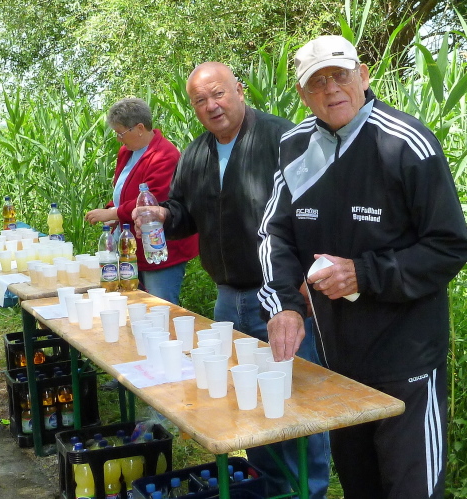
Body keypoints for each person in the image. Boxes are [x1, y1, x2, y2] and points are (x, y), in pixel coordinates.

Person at [258, 35, 467, 498]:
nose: (331, 89)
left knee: (411, 490)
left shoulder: (405, 142)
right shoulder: (294, 146)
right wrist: (285, 304)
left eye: (340, 75)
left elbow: (450, 245)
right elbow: (275, 233)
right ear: (302, 94)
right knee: (360, 487)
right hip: (338, 362)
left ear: (363, 75)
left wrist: (364, 274)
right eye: (317, 82)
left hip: (407, 360)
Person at [131, 62, 330, 498]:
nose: (212, 106)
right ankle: (266, 486)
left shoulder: (284, 139)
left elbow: (316, 210)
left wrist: (305, 284)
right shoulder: (196, 153)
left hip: (281, 299)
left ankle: (310, 489)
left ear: (239, 90)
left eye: (218, 94)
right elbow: (184, 214)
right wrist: (162, 214)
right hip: (228, 299)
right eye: (200, 100)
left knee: (298, 402)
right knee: (250, 402)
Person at [84, 98, 199, 304]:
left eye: (121, 133)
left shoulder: (165, 155)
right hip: (132, 244)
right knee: (135, 303)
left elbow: (153, 203)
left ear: (139, 128)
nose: (118, 138)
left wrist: (113, 213)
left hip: (161, 247)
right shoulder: (127, 152)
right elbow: (123, 190)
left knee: (160, 305)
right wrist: (112, 211)